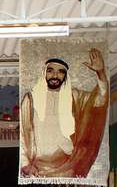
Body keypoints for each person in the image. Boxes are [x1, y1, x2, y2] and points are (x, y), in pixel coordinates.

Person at [20, 48, 109, 178]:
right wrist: (25, 164)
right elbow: (23, 132)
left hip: (69, 166)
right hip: (37, 170)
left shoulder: (74, 96)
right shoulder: (30, 99)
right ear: (44, 73)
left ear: (65, 76)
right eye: (50, 71)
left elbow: (100, 100)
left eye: (60, 72)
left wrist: (100, 72)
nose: (55, 76)